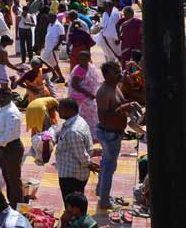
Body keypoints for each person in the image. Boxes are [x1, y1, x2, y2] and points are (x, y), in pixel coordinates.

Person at [96, 60, 139, 209]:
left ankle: (101, 191)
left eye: (119, 70)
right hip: (109, 135)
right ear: (107, 75)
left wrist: (130, 105)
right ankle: (104, 200)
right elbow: (104, 118)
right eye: (115, 72)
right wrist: (123, 108)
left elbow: (122, 102)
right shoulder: (103, 92)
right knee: (109, 167)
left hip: (115, 133)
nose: (119, 74)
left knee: (106, 163)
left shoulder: (115, 87)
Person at [54, 98, 98, 199]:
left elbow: (81, 155)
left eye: (60, 109)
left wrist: (90, 164)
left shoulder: (73, 131)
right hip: (76, 173)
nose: (58, 111)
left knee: (72, 204)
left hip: (71, 175)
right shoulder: (79, 120)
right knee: (75, 202)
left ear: (70, 111)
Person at [0, 88, 25, 209]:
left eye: (4, 97)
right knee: (8, 178)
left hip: (12, 148)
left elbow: (10, 134)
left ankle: (17, 208)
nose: (1, 99)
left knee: (14, 181)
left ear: (10, 97)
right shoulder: (2, 109)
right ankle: (12, 204)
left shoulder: (12, 112)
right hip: (3, 148)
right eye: (0, 97)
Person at [67, 51, 102, 142]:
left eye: (84, 59)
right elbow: (75, 85)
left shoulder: (91, 67)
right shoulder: (79, 70)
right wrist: (88, 94)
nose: (82, 61)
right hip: (80, 95)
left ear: (89, 59)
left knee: (92, 114)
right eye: (80, 59)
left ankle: (91, 133)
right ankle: (85, 133)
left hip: (88, 93)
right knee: (86, 113)